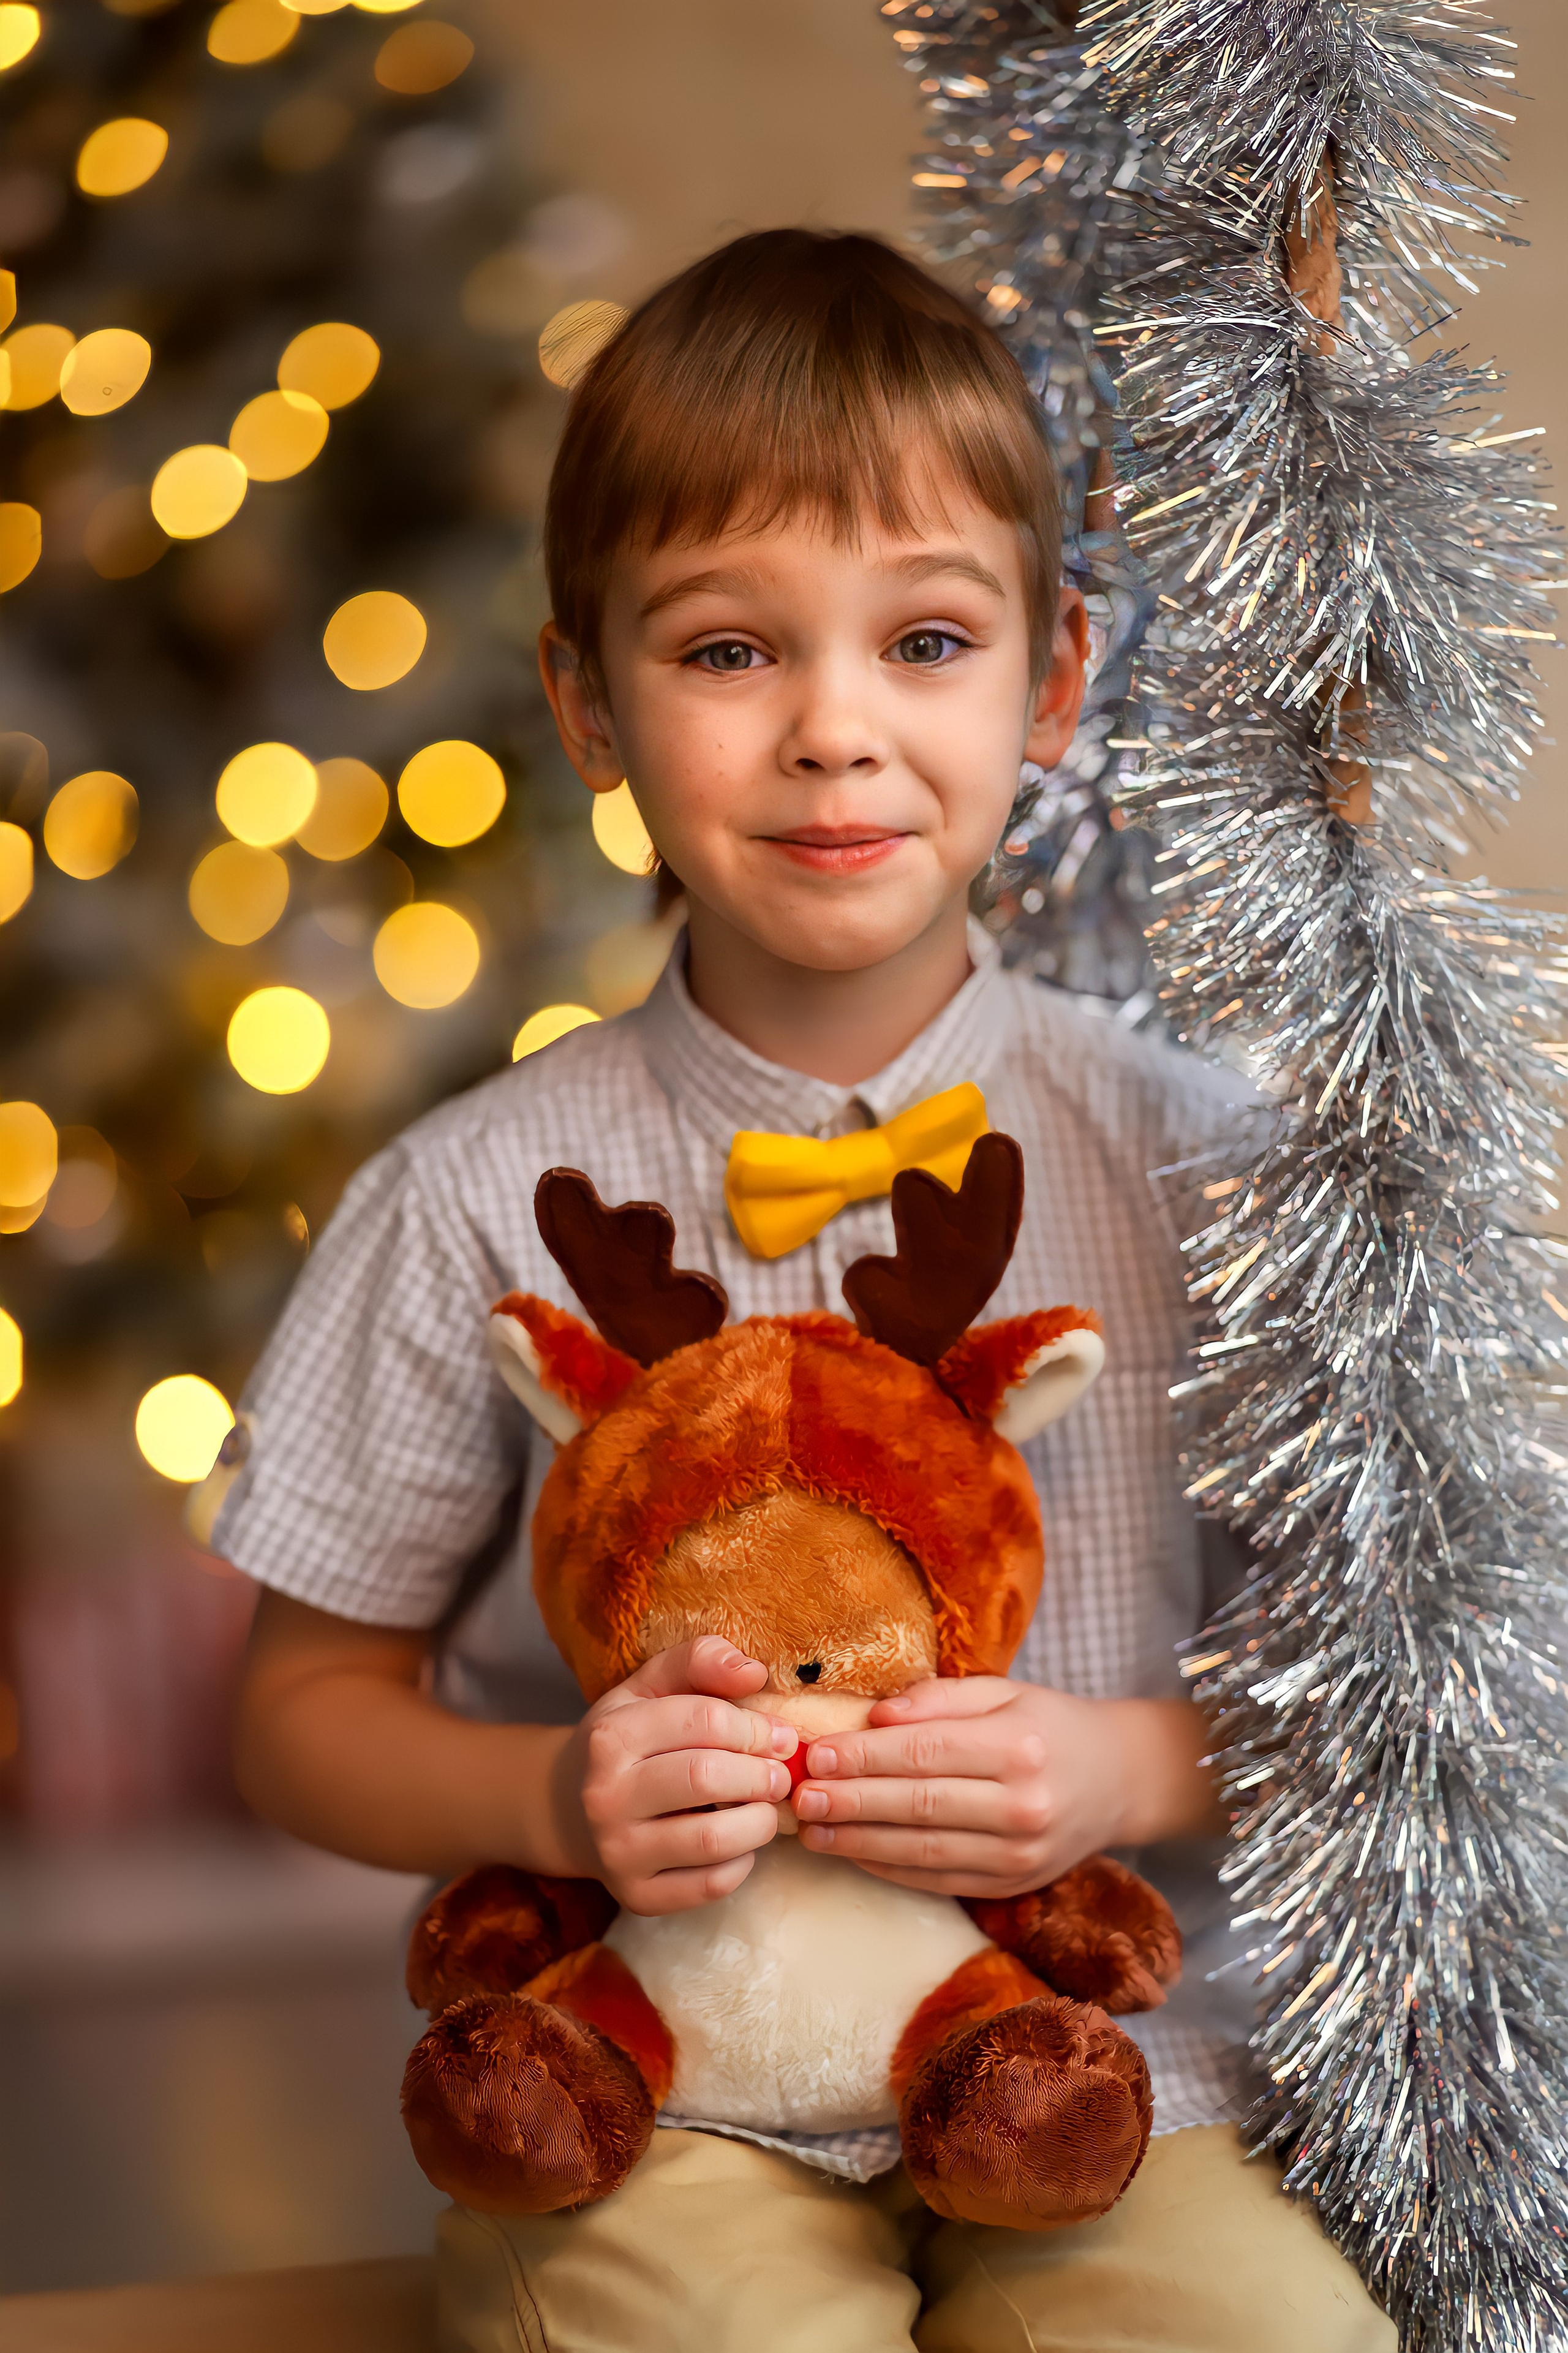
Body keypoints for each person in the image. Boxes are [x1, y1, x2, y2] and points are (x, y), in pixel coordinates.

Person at [224, 229, 1393, 2351]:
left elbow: (1401, 1686)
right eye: (730, 649)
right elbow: (301, 1716)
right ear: (589, 704)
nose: (835, 732)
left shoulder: (1213, 1165)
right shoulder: (468, 1196)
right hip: (648, 2083)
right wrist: (551, 1798)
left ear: (1052, 682)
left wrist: (1124, 1770)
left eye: (926, 639)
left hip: (1113, 2070)